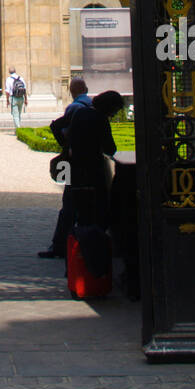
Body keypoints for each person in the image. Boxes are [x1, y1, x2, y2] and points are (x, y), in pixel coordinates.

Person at [39, 85, 120, 263]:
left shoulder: (79, 112)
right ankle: (89, 245)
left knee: (68, 207)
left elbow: (56, 126)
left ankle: (60, 245)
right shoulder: (100, 118)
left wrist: (68, 146)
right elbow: (111, 148)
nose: (114, 115)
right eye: (114, 110)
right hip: (93, 170)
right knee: (95, 209)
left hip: (73, 167)